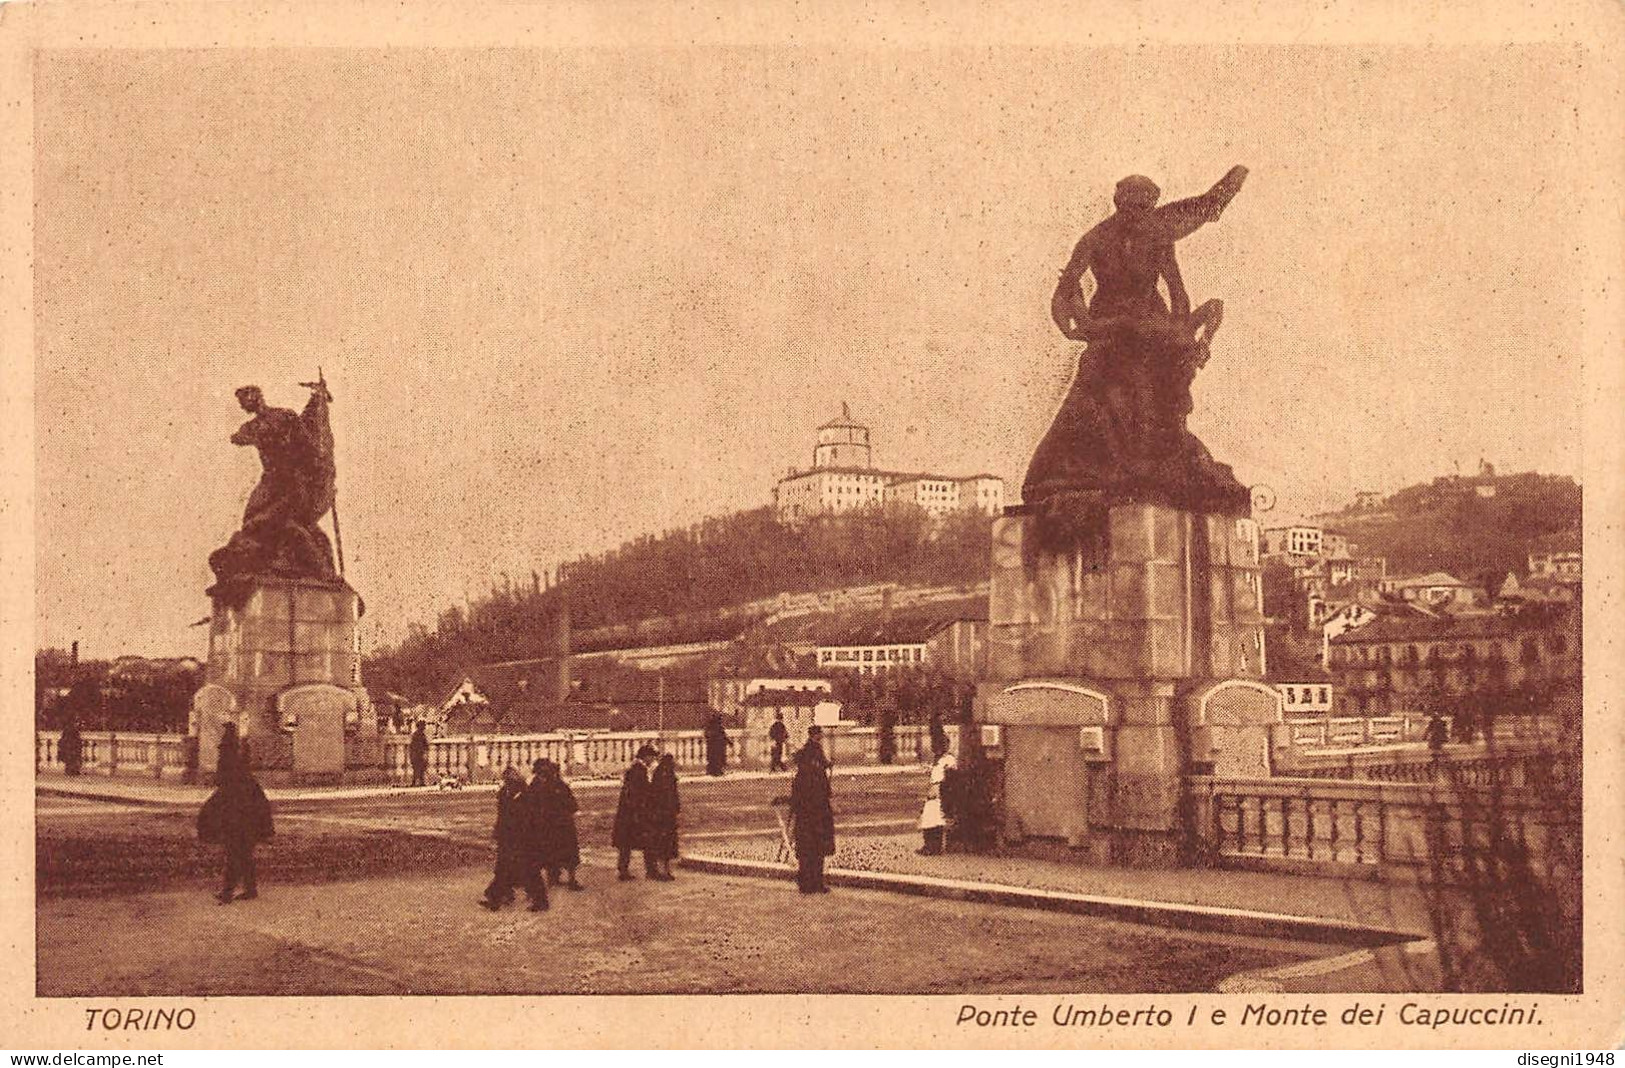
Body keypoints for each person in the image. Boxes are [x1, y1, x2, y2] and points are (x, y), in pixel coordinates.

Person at [197, 739, 273, 904]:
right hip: (245, 823)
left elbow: (222, 800)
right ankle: (250, 889)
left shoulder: (235, 780)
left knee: (235, 855)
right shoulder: (243, 779)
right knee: (244, 856)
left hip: (241, 824)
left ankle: (227, 892)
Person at [482, 766, 543, 910]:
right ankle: (496, 899)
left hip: (522, 839)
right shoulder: (506, 793)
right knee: (504, 869)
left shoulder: (525, 794)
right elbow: (502, 816)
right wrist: (498, 832)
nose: (507, 783)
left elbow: (529, 818)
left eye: (509, 780)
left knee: (528, 870)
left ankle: (540, 901)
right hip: (508, 838)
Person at [788, 726, 835, 894]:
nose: (820, 738)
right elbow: (818, 782)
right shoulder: (812, 755)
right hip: (815, 810)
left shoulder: (809, 754)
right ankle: (812, 883)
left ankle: (810, 883)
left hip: (810, 810)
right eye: (818, 736)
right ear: (814, 736)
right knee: (814, 848)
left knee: (810, 848)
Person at [529, 759, 584, 891]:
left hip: (547, 826)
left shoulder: (535, 786)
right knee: (568, 853)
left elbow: (530, 806)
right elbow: (573, 805)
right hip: (562, 825)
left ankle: (554, 878)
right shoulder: (559, 786)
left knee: (551, 852)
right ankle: (570, 879)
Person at [612, 744, 659, 881]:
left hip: (628, 813)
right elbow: (641, 793)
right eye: (652, 756)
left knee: (625, 844)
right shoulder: (640, 770)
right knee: (648, 841)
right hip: (636, 813)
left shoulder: (633, 769)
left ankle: (623, 870)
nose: (653, 759)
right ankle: (651, 870)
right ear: (646, 756)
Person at [917, 742, 958, 856]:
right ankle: (929, 845)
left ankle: (934, 847)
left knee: (935, 819)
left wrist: (939, 788)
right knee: (928, 819)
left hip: (939, 792)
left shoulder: (948, 759)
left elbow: (948, 776)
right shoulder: (939, 760)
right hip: (934, 792)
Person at [647, 754, 681, 881]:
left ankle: (660, 870)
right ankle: (664, 870)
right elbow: (673, 797)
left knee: (660, 845)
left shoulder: (659, 776)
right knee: (666, 845)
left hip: (661, 816)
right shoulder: (669, 777)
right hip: (666, 817)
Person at [703, 711, 734, 776]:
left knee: (716, 759)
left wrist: (729, 742)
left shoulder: (714, 727)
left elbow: (723, 735)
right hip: (716, 746)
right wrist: (729, 742)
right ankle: (715, 771)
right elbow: (723, 735)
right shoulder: (714, 727)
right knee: (715, 759)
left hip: (718, 746)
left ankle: (715, 771)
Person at [409, 721, 430, 787]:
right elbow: (425, 745)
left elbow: (425, 745)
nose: (424, 727)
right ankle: (416, 782)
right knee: (417, 768)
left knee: (420, 768)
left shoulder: (418, 735)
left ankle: (419, 781)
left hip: (418, 753)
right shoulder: (418, 735)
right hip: (417, 754)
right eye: (423, 726)